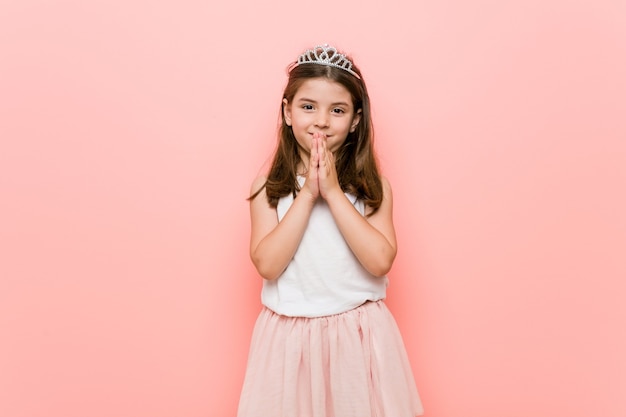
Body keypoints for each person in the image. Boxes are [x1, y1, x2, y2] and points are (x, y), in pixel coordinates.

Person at [238, 44, 424, 417]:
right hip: (289, 344)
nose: (321, 121)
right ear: (287, 112)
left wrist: (334, 193)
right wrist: (308, 195)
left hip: (358, 339)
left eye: (337, 110)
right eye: (308, 107)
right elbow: (269, 266)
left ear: (355, 120)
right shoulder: (266, 189)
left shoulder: (373, 188)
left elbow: (379, 261)